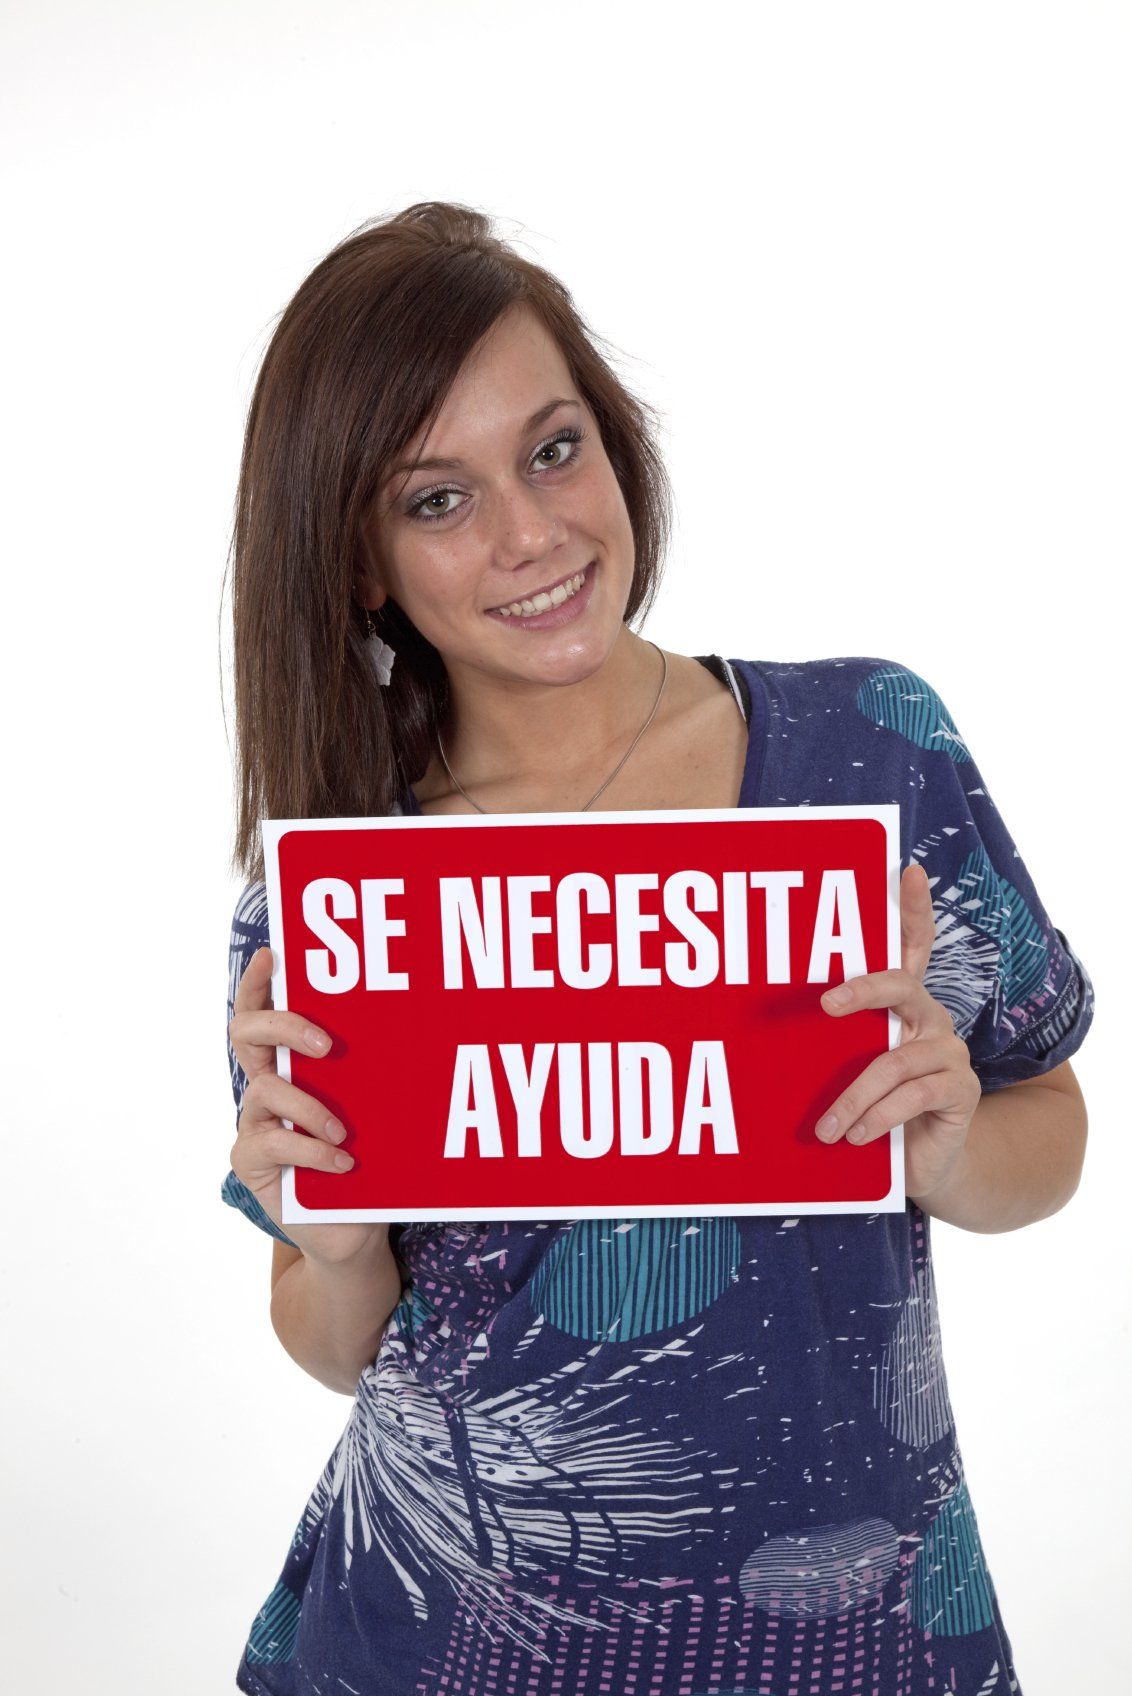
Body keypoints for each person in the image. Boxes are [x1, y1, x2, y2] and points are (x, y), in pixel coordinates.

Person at [222, 201, 1094, 1696]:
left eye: (553, 449)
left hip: (859, 1624)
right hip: (446, 1638)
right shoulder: (345, 889)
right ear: (362, 564)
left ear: (613, 446)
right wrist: (336, 1230)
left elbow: (1049, 1123)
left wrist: (943, 1147)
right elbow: (335, 1338)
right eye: (436, 500)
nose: (532, 533)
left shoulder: (872, 747)